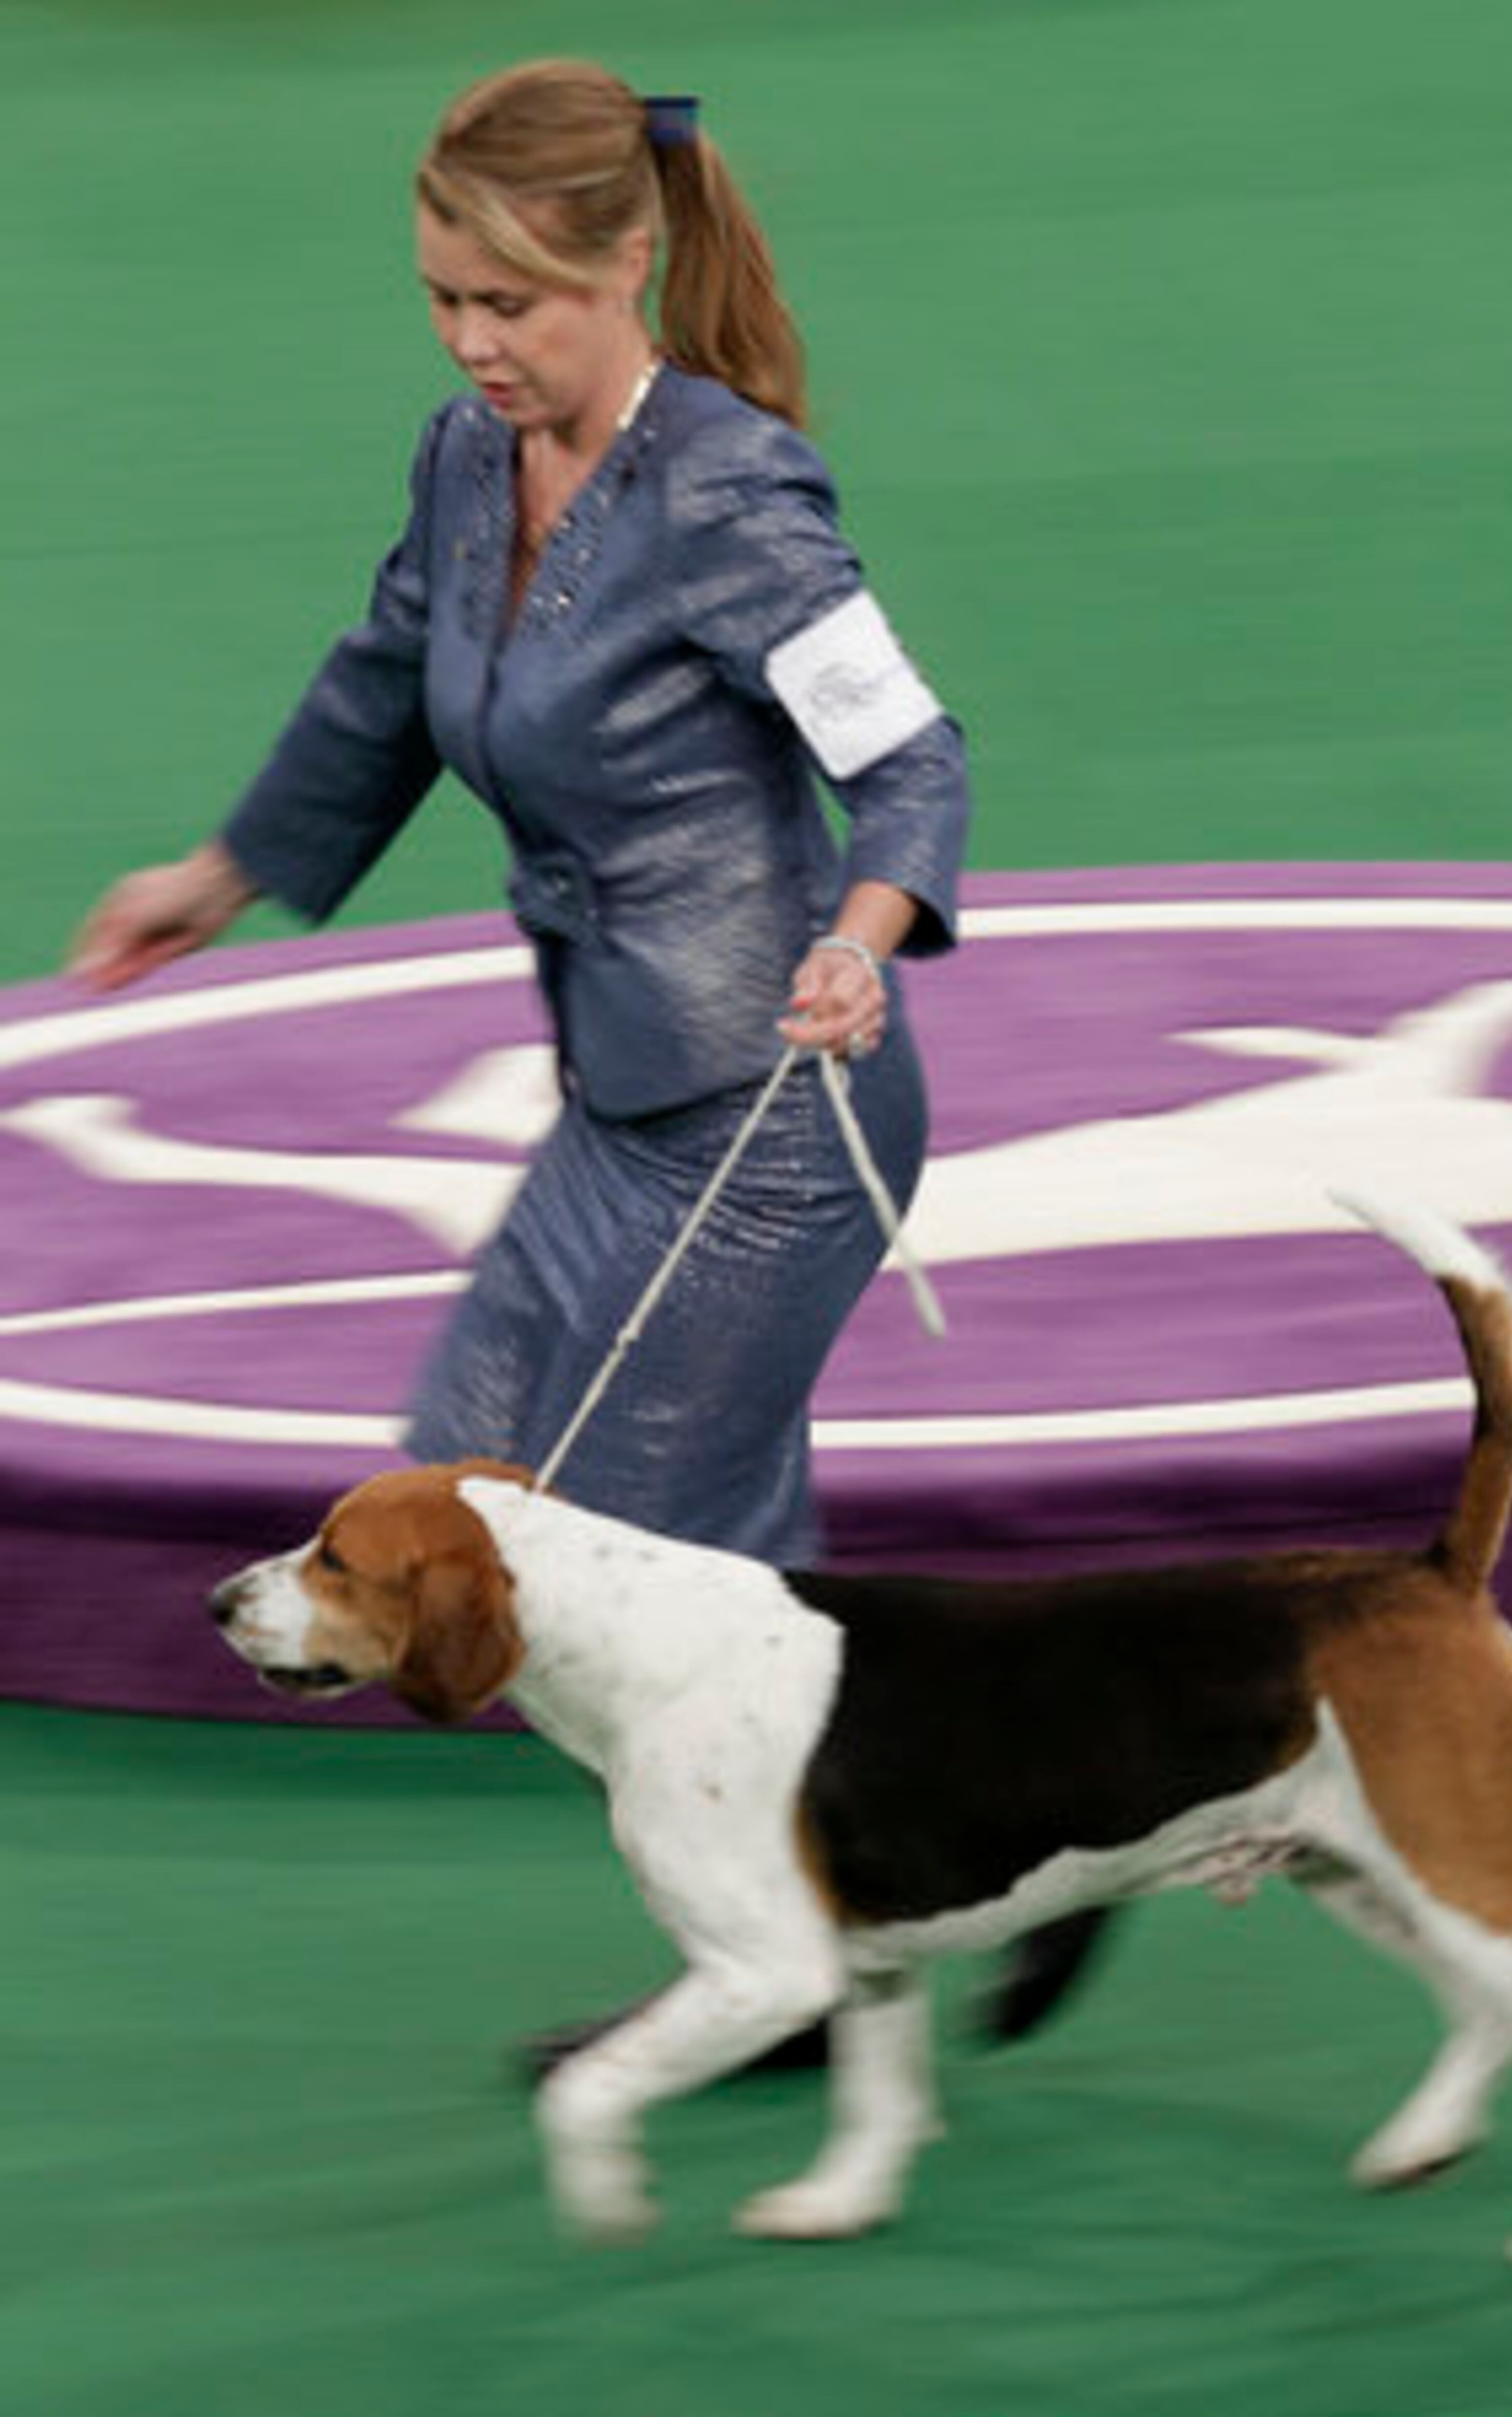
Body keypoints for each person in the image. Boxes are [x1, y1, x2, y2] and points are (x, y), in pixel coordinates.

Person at [74, 58, 1109, 2051]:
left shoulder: (728, 492)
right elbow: (386, 682)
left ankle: (888, 1912)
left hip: (769, 1119)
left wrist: (867, 929)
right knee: (476, 1481)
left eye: (514, 302)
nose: (474, 343)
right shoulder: (469, 469)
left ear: (628, 261)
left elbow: (906, 753)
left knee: (557, 1584)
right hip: (620, 1099)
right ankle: (988, 1829)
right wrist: (221, 870)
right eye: (444, 298)